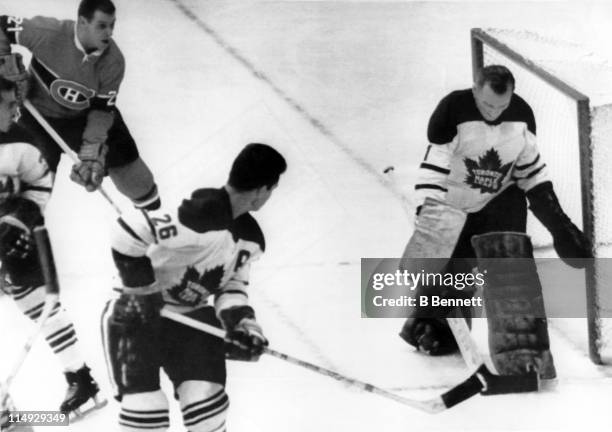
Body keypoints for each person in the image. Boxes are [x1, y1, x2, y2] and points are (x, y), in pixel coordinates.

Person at [398, 65, 591, 378]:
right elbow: (435, 168)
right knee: (451, 276)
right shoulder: (453, 111)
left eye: (501, 106)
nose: (493, 112)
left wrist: (559, 225)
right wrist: (429, 216)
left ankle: (523, 350)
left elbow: (532, 173)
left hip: (500, 202)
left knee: (512, 275)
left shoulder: (522, 117)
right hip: (455, 204)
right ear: (476, 91)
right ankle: (435, 326)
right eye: (487, 105)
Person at [101, 143, 287, 431]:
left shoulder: (251, 239)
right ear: (263, 190)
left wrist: (243, 324)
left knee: (207, 406)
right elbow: (126, 232)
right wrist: (143, 291)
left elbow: (232, 286)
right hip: (133, 314)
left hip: (190, 317)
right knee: (146, 413)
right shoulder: (198, 214)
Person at [0, 77, 105, 416]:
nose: (16, 110)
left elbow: (39, 184)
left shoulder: (21, 141)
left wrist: (21, 219)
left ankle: (80, 376)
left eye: (16, 103)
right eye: (7, 105)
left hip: (13, 228)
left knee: (38, 302)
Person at [0, 0, 160, 210]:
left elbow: (102, 110)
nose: (109, 32)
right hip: (35, 115)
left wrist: (92, 151)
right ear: (83, 22)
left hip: (83, 118)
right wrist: (4, 62)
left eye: (112, 25)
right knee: (26, 181)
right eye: (102, 25)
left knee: (140, 186)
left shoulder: (114, 61)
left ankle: (151, 224)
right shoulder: (47, 33)